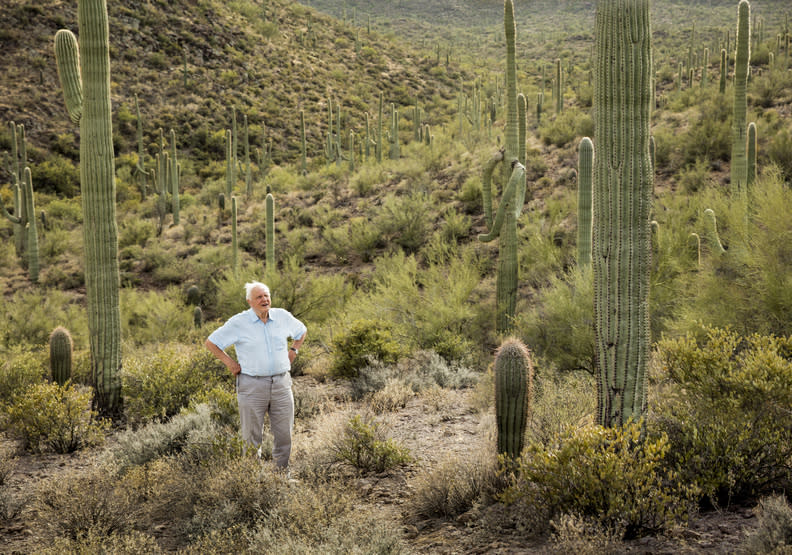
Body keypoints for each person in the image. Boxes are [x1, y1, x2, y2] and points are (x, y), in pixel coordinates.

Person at [205, 281, 306, 469]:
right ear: (249, 301)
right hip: (252, 384)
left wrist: (293, 350)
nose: (264, 299)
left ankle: (282, 474)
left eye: (266, 295)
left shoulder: (282, 316)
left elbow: (302, 331)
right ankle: (252, 478)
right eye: (259, 297)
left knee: (284, 433)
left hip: (281, 383)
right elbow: (211, 343)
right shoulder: (238, 322)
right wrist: (230, 363)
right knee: (251, 435)